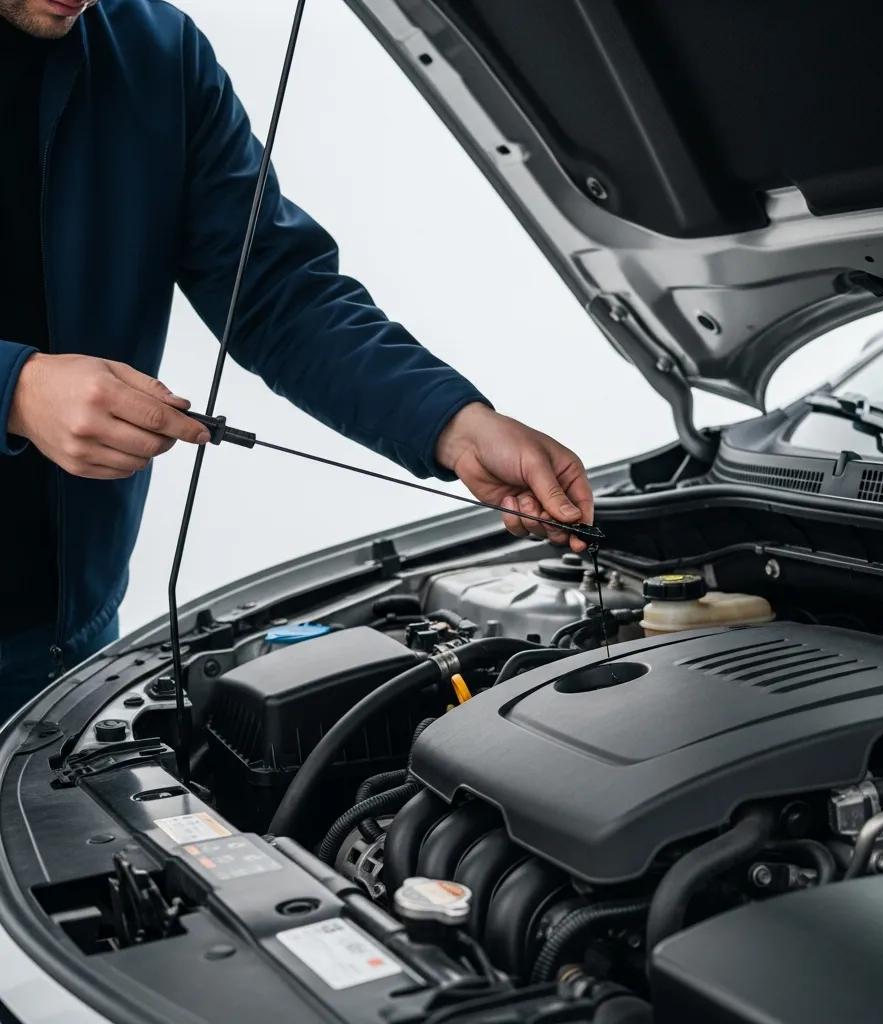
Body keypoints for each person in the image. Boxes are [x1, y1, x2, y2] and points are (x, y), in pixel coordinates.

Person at [0, 0, 593, 720]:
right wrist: (15, 390)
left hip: (61, 641)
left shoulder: (156, 50)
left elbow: (275, 291)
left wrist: (453, 424)